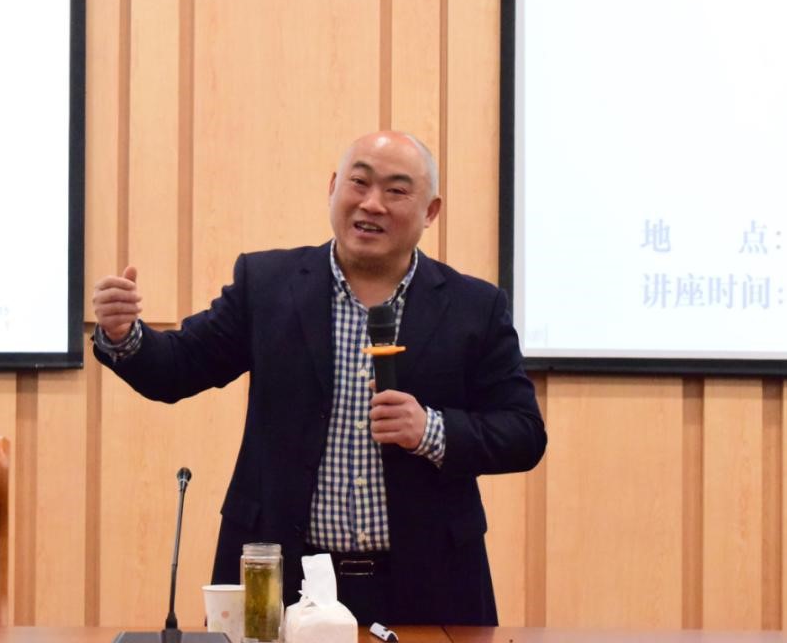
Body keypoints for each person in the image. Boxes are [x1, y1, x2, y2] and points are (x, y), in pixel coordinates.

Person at [91, 130, 546, 625]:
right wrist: (124, 335)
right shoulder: (266, 285)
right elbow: (178, 368)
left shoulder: (474, 307)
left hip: (428, 581)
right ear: (333, 187)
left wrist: (431, 430)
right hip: (284, 580)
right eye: (359, 182)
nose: (372, 203)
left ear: (430, 211)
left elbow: (523, 433)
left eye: (396, 190)